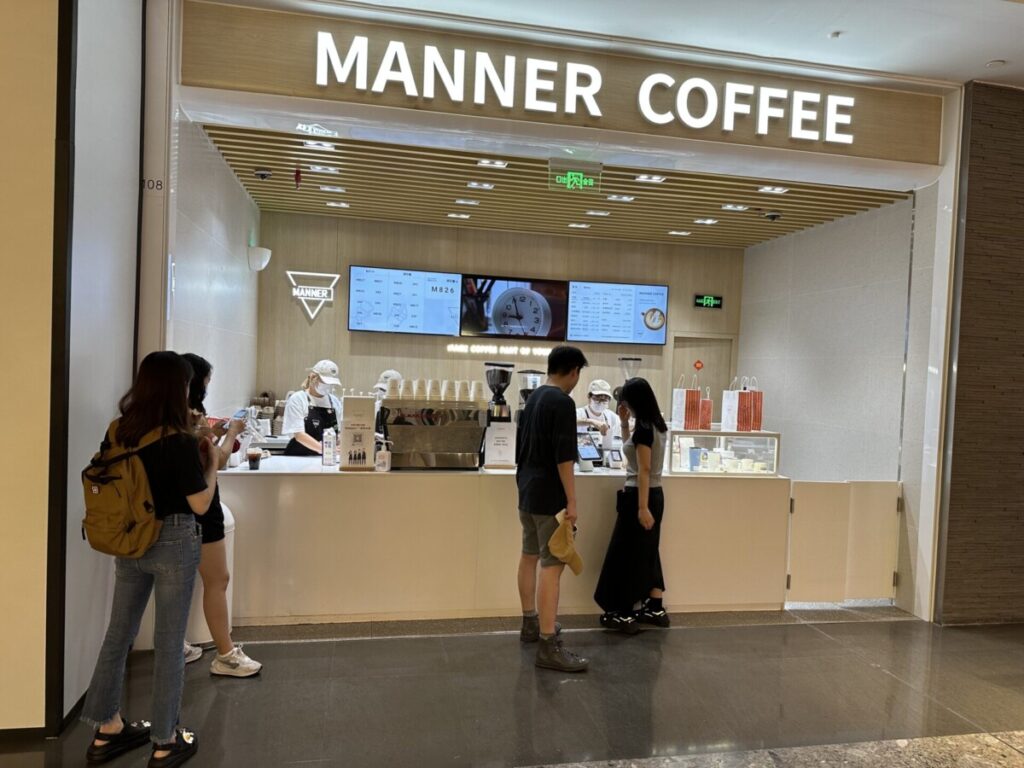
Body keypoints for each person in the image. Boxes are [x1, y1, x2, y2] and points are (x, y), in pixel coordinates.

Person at [81, 351, 218, 768]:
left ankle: (106, 728)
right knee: (170, 644)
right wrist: (212, 464)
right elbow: (199, 504)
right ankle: (165, 740)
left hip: (130, 540)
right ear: (178, 388)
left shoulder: (120, 430)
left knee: (118, 634)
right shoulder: (178, 440)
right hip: (173, 541)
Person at [181, 354, 263, 678]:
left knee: (178, 583)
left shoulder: (165, 419)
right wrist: (231, 433)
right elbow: (219, 460)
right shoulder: (192, 416)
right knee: (217, 580)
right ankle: (226, 655)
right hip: (204, 506)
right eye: (206, 381)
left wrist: (211, 434)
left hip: (175, 511)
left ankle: (175, 645)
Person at [516, 345, 590, 672]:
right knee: (552, 565)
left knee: (528, 556)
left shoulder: (533, 398)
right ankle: (548, 644)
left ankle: (530, 623)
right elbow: (564, 458)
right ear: (573, 371)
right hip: (549, 497)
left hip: (527, 491)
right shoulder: (562, 402)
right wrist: (572, 501)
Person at [594, 377, 670, 634]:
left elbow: (643, 470)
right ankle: (655, 606)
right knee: (648, 550)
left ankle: (624, 611)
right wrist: (625, 424)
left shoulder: (645, 429)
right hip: (655, 494)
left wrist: (642, 507)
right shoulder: (657, 425)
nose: (624, 406)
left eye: (625, 401)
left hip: (640, 495)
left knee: (626, 553)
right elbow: (634, 454)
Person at [282, 359, 344, 456]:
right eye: (325, 382)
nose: (328, 386)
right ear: (313, 377)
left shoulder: (334, 401)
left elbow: (339, 431)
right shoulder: (298, 399)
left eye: (331, 384)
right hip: (298, 458)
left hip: (326, 458)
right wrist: (325, 449)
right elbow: (299, 435)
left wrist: (340, 444)